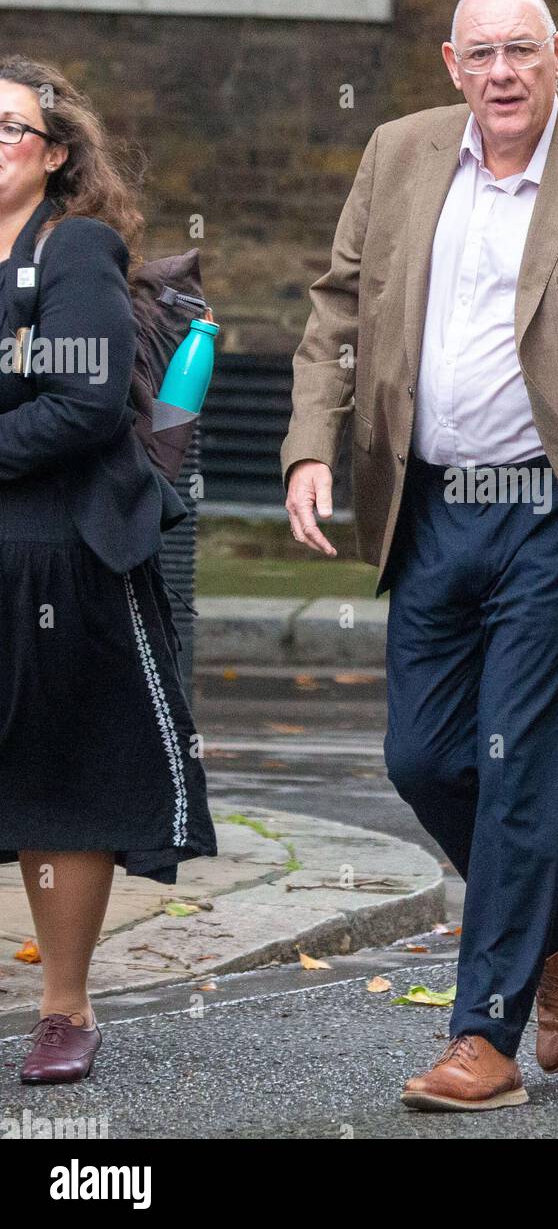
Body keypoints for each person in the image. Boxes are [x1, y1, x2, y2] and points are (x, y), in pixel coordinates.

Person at [281, 0, 558, 1111]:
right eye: (480, 55)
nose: (502, 74)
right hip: (427, 504)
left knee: (520, 767)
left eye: (522, 51)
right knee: (423, 759)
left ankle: (483, 1036)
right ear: (450, 65)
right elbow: (338, 310)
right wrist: (307, 446)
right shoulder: (398, 154)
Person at [0, 55, 217, 1084]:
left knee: (65, 783)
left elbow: (83, 404)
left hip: (62, 562)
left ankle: (63, 1007)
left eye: (9, 129)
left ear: (53, 156)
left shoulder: (76, 249)